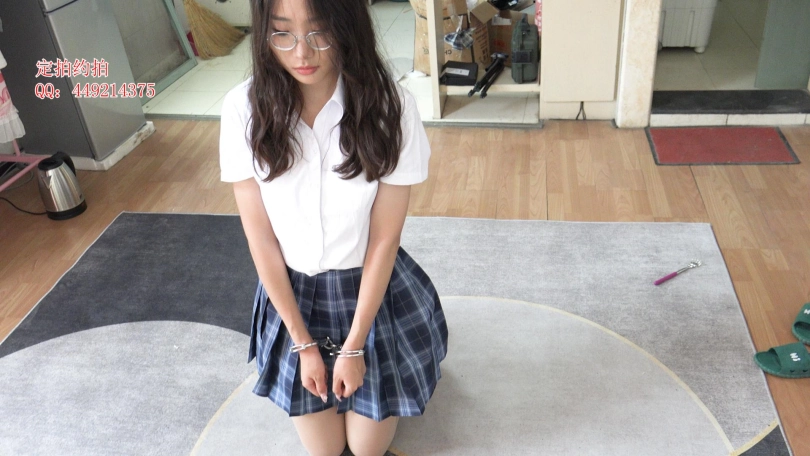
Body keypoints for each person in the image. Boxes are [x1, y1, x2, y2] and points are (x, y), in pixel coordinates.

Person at [218, 0, 449, 455]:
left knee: (365, 448)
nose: (301, 52)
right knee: (325, 450)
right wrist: (303, 345)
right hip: (293, 295)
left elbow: (385, 239)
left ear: (347, 28)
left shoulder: (391, 106)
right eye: (282, 33)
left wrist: (355, 346)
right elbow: (260, 239)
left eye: (319, 31)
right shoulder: (242, 108)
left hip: (369, 291)